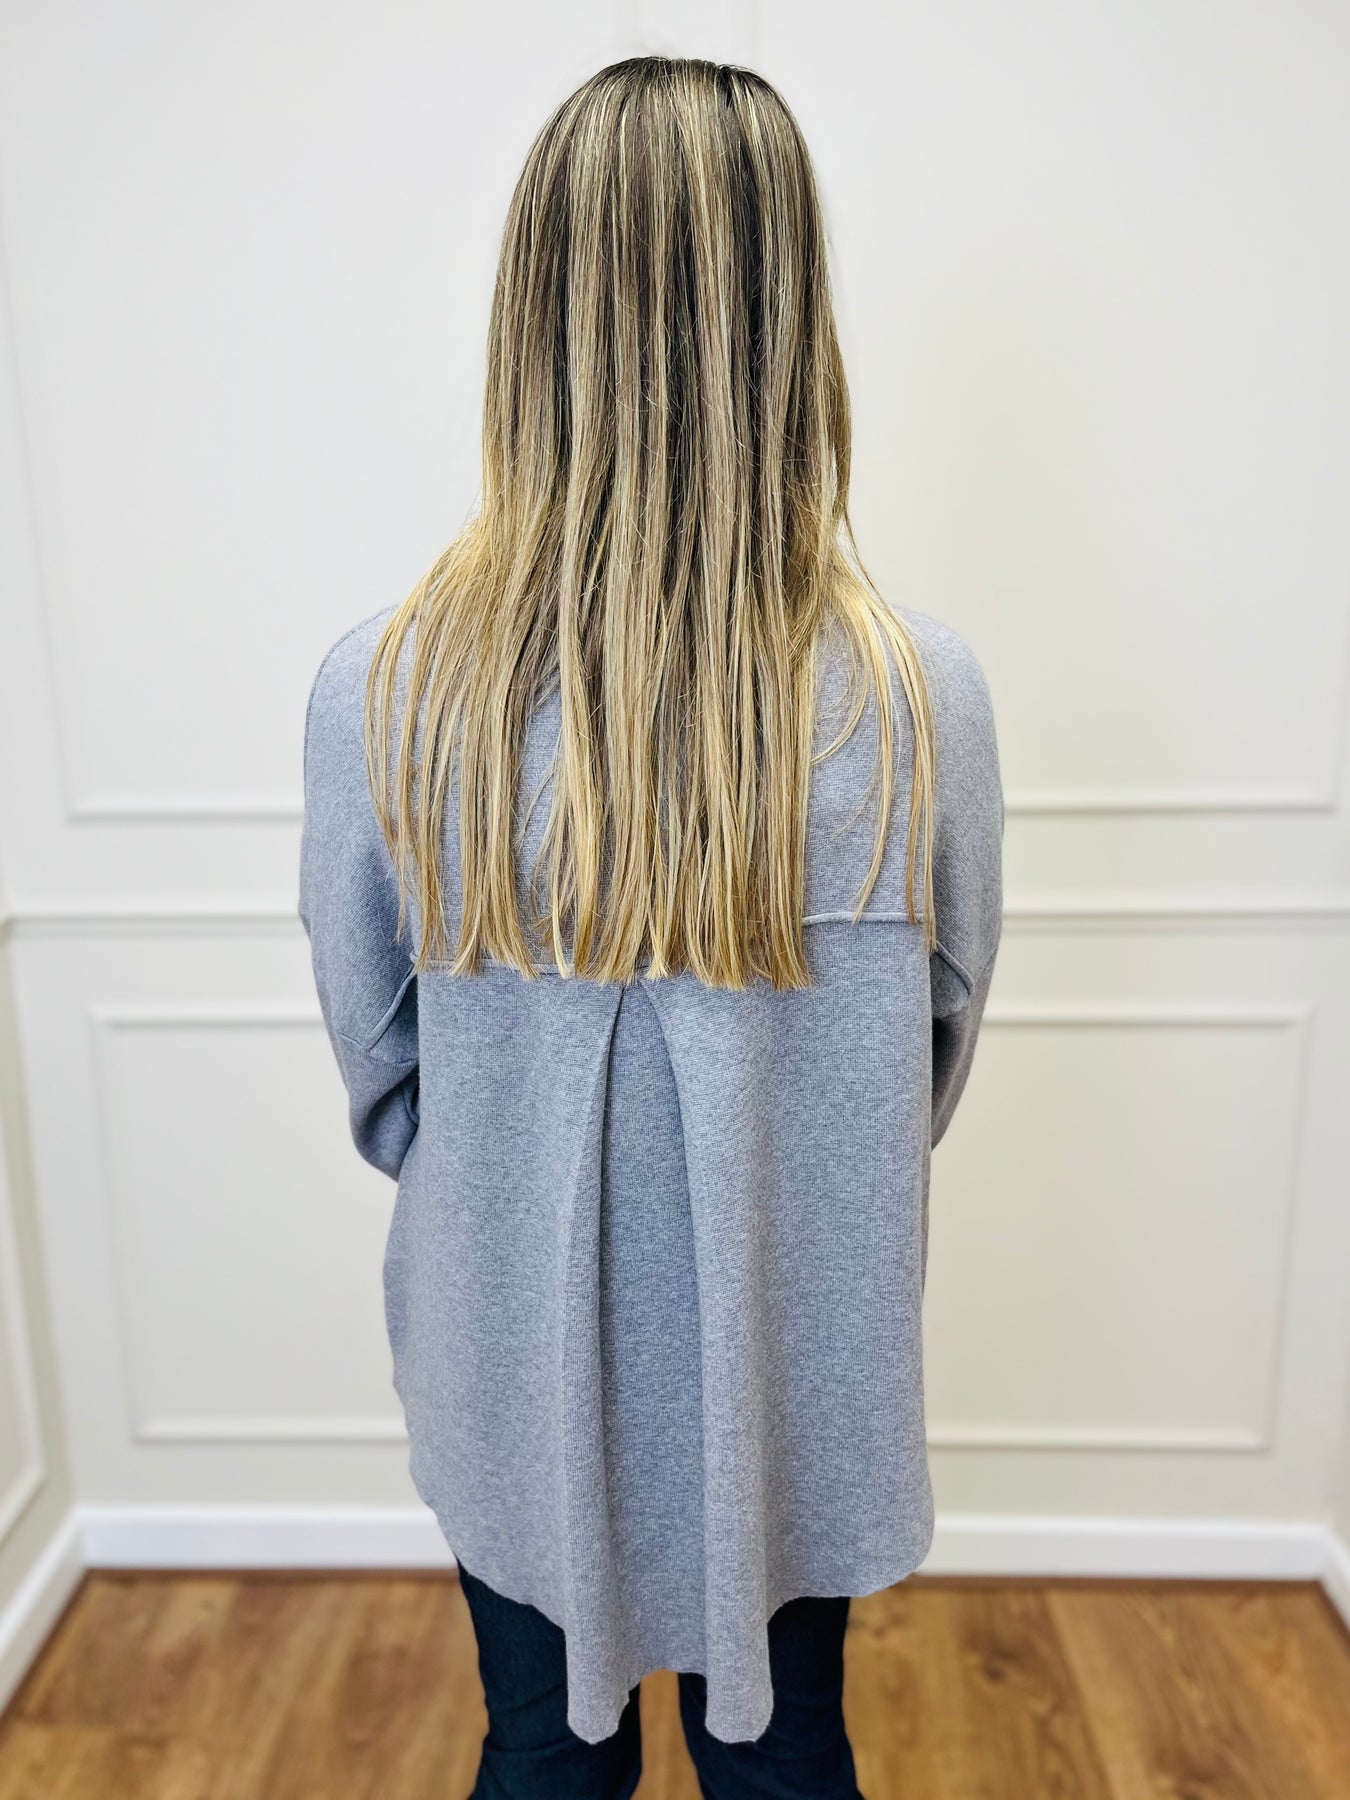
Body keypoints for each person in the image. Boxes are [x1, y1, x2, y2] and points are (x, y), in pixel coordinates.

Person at [299, 53, 1003, 1800]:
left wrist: (524, 1163)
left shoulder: (386, 693)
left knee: (545, 1756)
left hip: (509, 1358)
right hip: (796, 1354)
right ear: (789, 321)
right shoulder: (916, 700)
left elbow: (382, 1074)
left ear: (530, 316)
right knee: (788, 1754)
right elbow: (927, 1060)